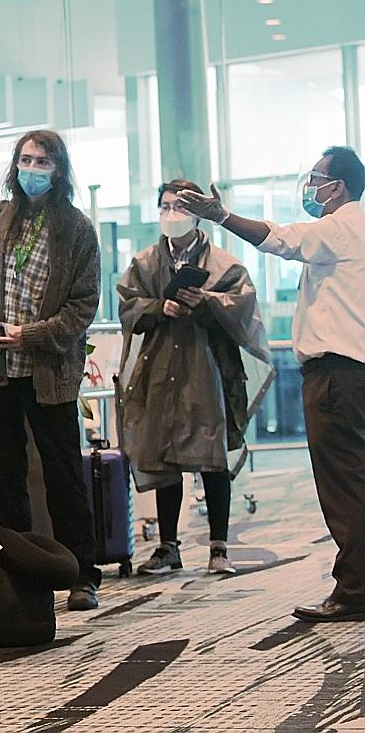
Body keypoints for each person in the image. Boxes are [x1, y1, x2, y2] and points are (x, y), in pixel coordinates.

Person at [179, 147, 365, 622]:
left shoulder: (342, 225)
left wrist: (221, 215)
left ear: (338, 187)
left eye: (317, 179)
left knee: (344, 484)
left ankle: (355, 589)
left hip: (338, 377)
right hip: (353, 374)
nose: (311, 188)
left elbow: (279, 239)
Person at [0, 130, 103, 610]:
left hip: (48, 371)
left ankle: (83, 574)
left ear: (59, 169)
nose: (32, 168)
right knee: (6, 473)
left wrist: (30, 335)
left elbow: (81, 308)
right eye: (25, 159)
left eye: (42, 161)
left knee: (64, 474)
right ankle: (16, 570)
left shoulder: (78, 229)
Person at [117, 180, 272, 577]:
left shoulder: (222, 263)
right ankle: (169, 546)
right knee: (163, 455)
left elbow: (242, 307)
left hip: (206, 370)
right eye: (166, 206)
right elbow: (130, 307)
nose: (173, 215)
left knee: (211, 454)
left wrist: (205, 304)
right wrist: (159, 307)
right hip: (158, 370)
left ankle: (219, 547)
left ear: (199, 213)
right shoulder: (146, 263)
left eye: (183, 207)